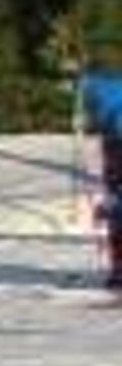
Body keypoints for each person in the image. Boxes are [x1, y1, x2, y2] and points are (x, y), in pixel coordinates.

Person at [78, 37, 122, 290]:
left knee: (116, 204)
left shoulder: (92, 82)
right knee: (116, 204)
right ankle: (118, 270)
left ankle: (118, 270)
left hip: (115, 143)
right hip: (114, 143)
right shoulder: (93, 82)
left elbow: (92, 115)